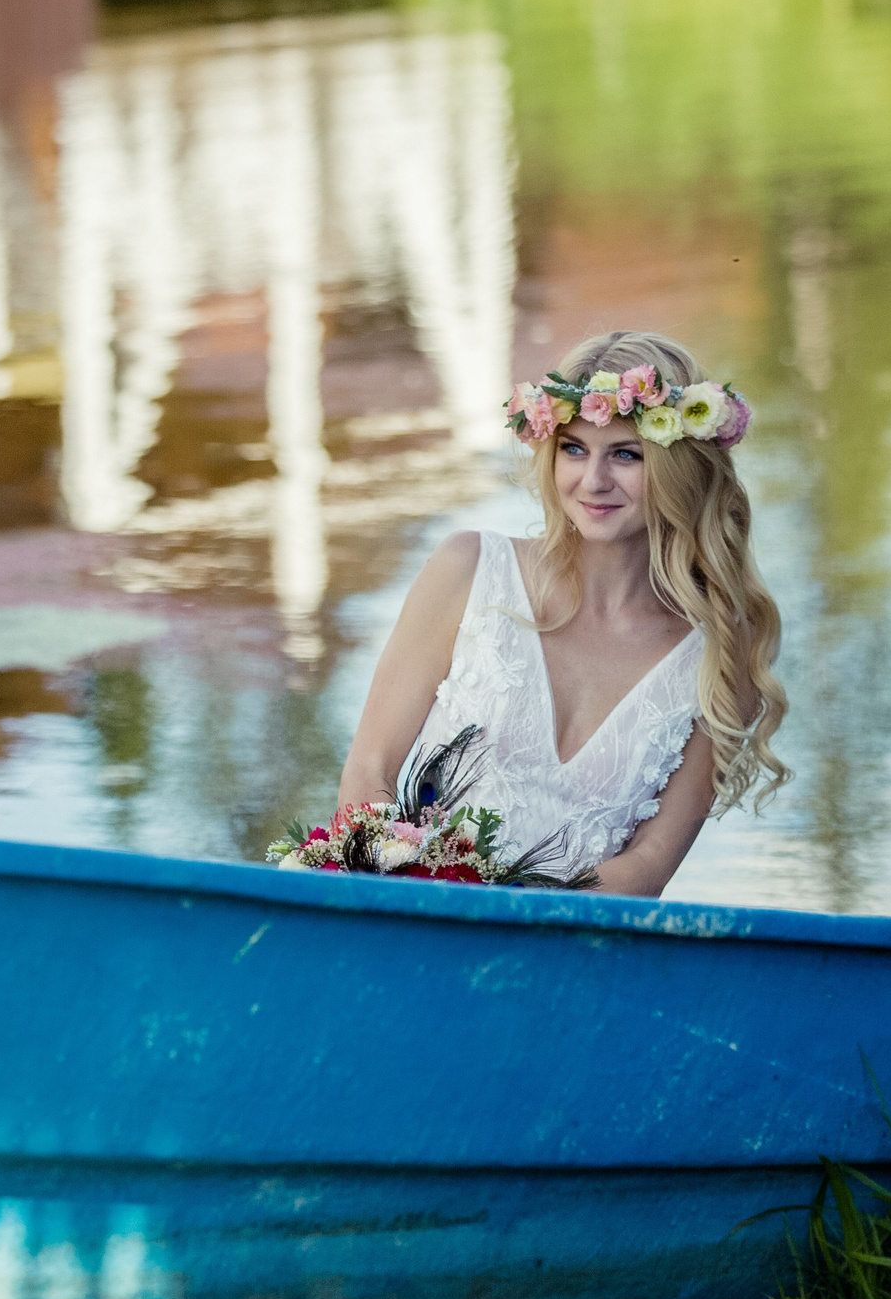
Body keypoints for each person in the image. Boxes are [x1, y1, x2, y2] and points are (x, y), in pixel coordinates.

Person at [337, 329, 789, 896]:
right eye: (574, 448)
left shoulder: (723, 651)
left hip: (572, 952)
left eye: (626, 454)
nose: (593, 481)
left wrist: (505, 910)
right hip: (411, 914)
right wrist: (427, 890)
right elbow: (368, 771)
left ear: (681, 465)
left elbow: (648, 866)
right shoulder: (468, 571)